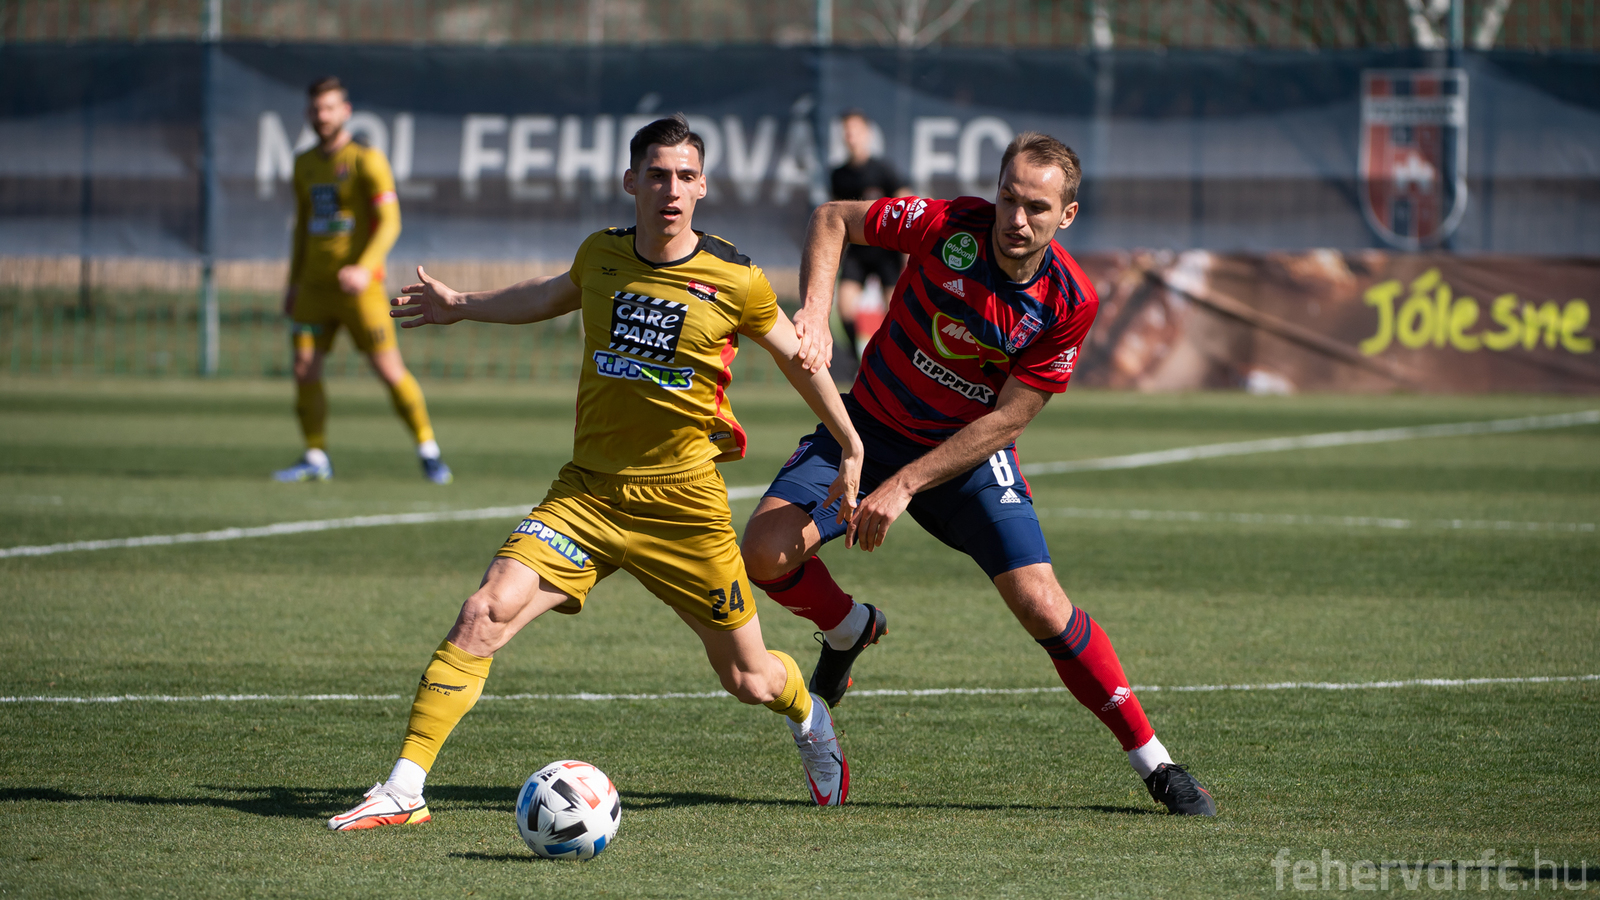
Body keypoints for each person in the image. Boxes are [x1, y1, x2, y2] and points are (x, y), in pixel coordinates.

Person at [327, 115, 866, 831]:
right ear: (631, 181)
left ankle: (809, 717)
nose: (671, 189)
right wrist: (461, 306)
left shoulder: (737, 278)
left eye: (685, 176)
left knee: (750, 678)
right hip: (587, 495)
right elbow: (547, 294)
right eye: (657, 175)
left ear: (703, 187)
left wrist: (849, 442)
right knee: (485, 611)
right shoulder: (601, 255)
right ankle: (404, 788)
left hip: (684, 509)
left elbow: (798, 358)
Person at [741, 132, 1218, 816]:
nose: (1016, 220)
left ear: (1067, 216)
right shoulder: (946, 225)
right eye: (1008, 199)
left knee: (1042, 605)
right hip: (866, 429)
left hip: (966, 455)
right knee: (763, 553)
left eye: (1037, 208)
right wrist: (815, 312)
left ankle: (1156, 763)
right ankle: (849, 627)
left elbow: (1009, 419)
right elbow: (833, 218)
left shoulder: (1069, 301)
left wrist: (905, 484)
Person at [274, 76, 451, 485]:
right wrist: (293, 282)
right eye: (316, 109)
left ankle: (428, 450)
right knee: (304, 368)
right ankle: (315, 456)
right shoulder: (303, 164)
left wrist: (364, 267)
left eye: (329, 108)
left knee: (388, 370)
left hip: (360, 291)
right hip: (313, 290)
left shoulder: (366, 159)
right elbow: (301, 228)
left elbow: (390, 221)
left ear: (345, 111)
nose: (322, 116)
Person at [829, 110, 911, 362]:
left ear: (866, 134)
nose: (851, 137)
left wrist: (907, 251)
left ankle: (894, 361)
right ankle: (860, 362)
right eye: (847, 132)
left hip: (886, 250)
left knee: (896, 311)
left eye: (855, 131)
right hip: (858, 251)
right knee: (844, 306)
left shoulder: (883, 170)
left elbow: (907, 203)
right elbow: (835, 219)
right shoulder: (838, 175)